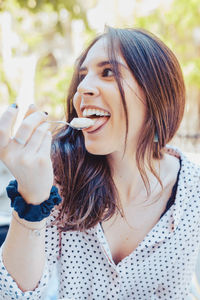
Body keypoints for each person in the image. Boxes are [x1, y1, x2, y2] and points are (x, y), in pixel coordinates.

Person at [0, 26, 199, 300]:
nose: (82, 88)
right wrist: (33, 198)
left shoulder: (193, 189)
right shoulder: (58, 175)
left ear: (156, 93)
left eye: (108, 72)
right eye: (82, 76)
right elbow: (14, 294)